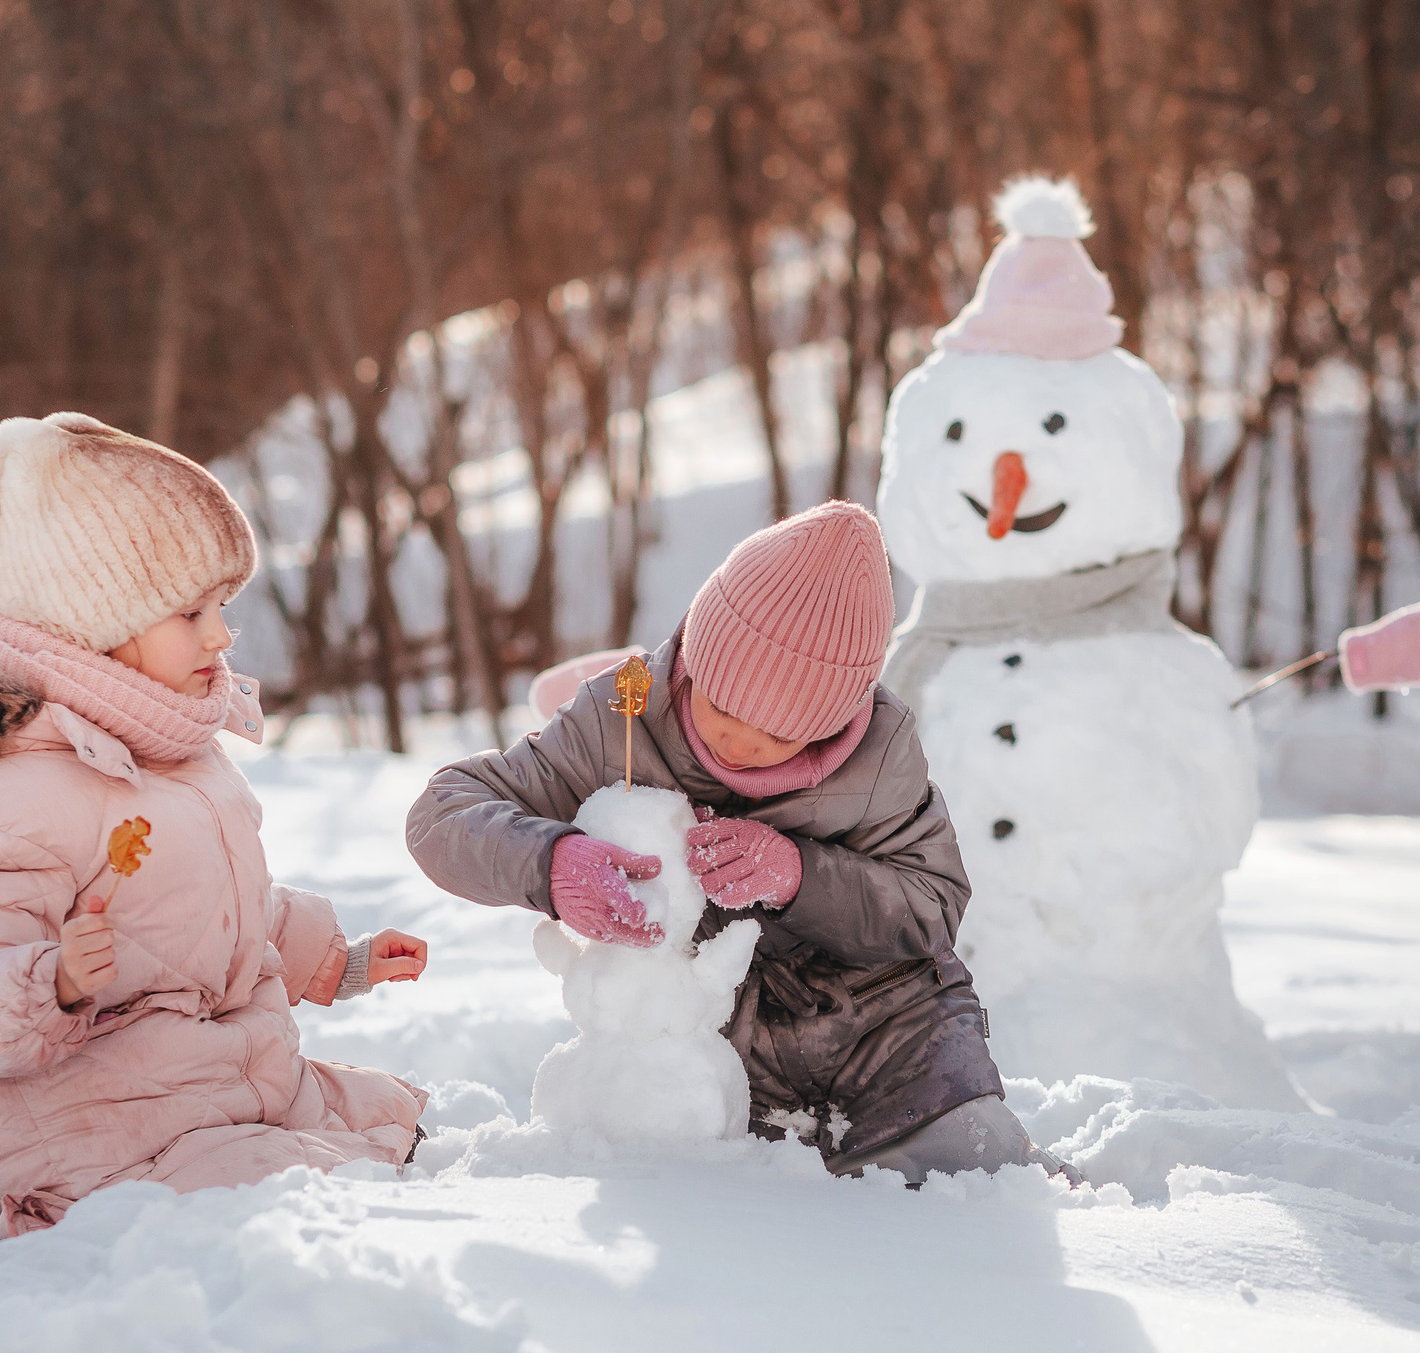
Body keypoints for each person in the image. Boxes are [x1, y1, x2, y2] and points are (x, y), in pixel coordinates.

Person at [0, 412, 429, 1244]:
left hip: (189, 1082)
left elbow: (195, 907)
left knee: (393, 1121)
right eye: (190, 612)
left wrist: (334, 960)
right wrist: (54, 981)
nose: (221, 635)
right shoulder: (6, 791)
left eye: (223, 604)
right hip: (81, 1123)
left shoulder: (168, 740)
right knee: (311, 1191)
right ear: (93, 623)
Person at [406, 500, 1055, 1184]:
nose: (740, 743)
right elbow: (440, 815)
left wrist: (801, 876)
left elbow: (932, 907)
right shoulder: (619, 721)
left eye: (780, 733)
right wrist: (550, 863)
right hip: (711, 1072)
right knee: (724, 1248)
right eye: (721, 704)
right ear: (697, 653)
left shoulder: (882, 753)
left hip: (892, 1052)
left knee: (984, 1190)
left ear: (836, 719)